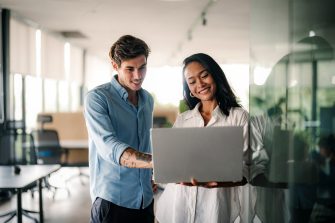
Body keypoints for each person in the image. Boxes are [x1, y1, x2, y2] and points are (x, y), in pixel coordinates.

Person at [156, 53, 249, 223]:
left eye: (204, 75)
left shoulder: (238, 117)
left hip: (214, 208)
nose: (199, 84)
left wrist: (220, 182)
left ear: (215, 75)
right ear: (189, 89)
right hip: (178, 206)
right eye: (192, 81)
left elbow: (248, 169)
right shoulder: (183, 119)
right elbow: (173, 163)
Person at [84, 35, 155, 223]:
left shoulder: (148, 99)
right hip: (113, 202)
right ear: (115, 66)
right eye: (130, 69)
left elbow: (145, 143)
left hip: (145, 200)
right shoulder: (97, 98)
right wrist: (156, 161)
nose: (138, 76)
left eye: (142, 68)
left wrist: (149, 176)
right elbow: (110, 147)